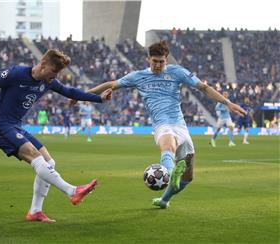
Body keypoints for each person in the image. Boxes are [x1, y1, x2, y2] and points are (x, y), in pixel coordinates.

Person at [82, 41, 246, 209]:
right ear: (148, 59)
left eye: (161, 61)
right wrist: (83, 95)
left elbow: (203, 87)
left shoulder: (177, 72)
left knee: (188, 177)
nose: (158, 65)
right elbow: (111, 84)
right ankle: (170, 171)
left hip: (180, 125)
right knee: (168, 146)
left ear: (167, 60)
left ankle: (164, 199)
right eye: (155, 61)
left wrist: (228, 103)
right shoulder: (138, 76)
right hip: (161, 124)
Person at [0, 49, 112, 222]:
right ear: (43, 64)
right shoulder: (16, 74)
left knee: (49, 162)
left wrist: (100, 99)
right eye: (54, 71)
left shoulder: (48, 82)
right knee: (34, 155)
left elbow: (71, 92)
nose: (55, 76)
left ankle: (35, 211)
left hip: (16, 126)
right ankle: (72, 191)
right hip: (0, 126)